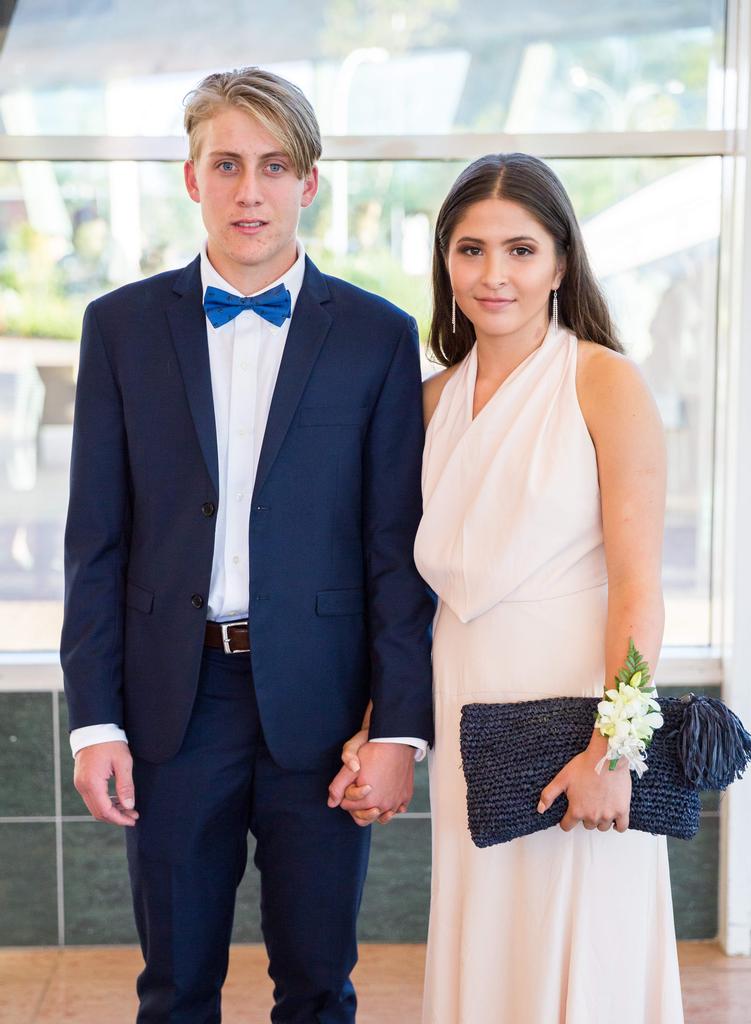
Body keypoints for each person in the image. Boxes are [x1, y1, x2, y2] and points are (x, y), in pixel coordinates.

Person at [60, 67, 434, 1024]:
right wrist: (95, 721)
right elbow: (94, 544)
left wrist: (396, 726)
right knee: (175, 985)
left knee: (317, 984)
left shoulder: (380, 338)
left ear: (310, 182)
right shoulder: (119, 329)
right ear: (191, 178)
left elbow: (395, 551)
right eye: (225, 164)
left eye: (274, 166)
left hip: (325, 709)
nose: (249, 190)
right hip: (170, 705)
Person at [335, 153, 685, 1022]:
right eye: (471, 249)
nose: (495, 275)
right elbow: (404, 596)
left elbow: (641, 585)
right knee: (490, 944)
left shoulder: (605, 381)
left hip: (579, 708)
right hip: (466, 704)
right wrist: (384, 726)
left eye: (521, 250)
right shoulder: (428, 402)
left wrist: (614, 748)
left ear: (562, 261)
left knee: (582, 942)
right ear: (445, 262)